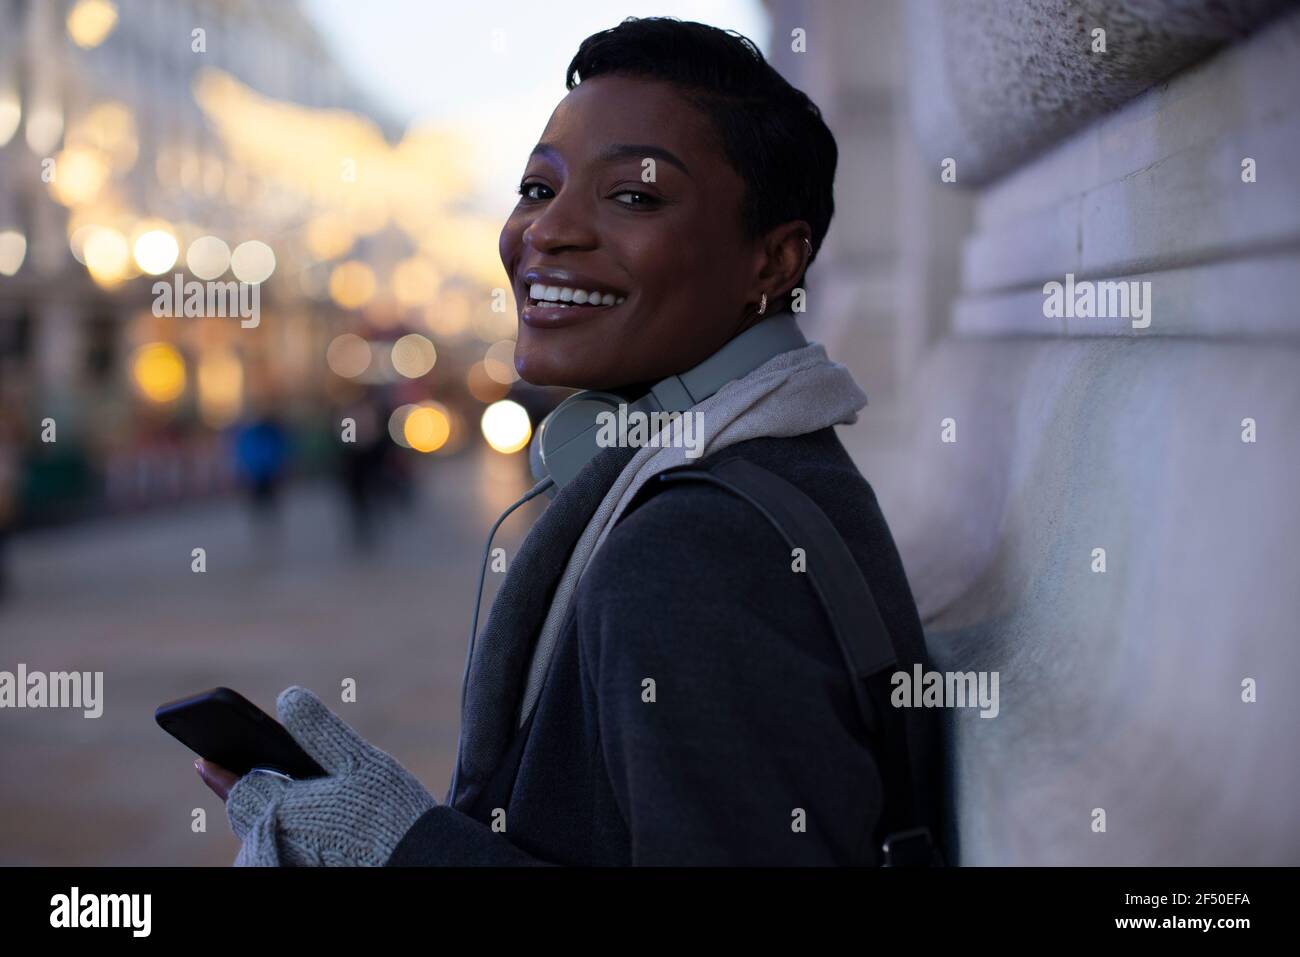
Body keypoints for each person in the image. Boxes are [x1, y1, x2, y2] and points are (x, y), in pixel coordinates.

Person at [195, 16, 942, 866]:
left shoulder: (692, 547)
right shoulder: (762, 472)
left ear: (773, 263)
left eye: (633, 196)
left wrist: (401, 848)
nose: (547, 232)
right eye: (539, 189)